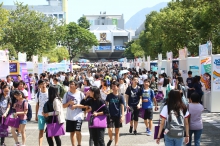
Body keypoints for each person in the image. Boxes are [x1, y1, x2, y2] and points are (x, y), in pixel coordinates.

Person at [62, 80, 85, 146]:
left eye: (72, 84)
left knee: (78, 131)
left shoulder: (81, 94)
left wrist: (76, 106)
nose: (70, 85)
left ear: (76, 86)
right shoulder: (66, 94)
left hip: (78, 116)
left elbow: (85, 106)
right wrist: (69, 103)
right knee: (72, 133)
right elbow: (63, 106)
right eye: (70, 84)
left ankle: (79, 144)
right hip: (69, 116)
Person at [106, 81, 125, 146]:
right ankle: (111, 139)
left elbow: (122, 106)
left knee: (117, 131)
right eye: (112, 86)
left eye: (114, 86)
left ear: (118, 87)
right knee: (110, 130)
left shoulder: (120, 96)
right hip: (110, 115)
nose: (113, 88)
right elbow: (106, 104)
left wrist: (123, 116)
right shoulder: (109, 96)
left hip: (118, 115)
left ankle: (116, 144)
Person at [35, 80, 48, 146]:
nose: (43, 85)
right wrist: (36, 115)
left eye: (44, 83)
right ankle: (40, 145)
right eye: (42, 84)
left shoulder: (49, 92)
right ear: (39, 86)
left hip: (49, 115)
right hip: (40, 114)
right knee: (41, 131)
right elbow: (37, 105)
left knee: (50, 131)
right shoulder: (38, 94)